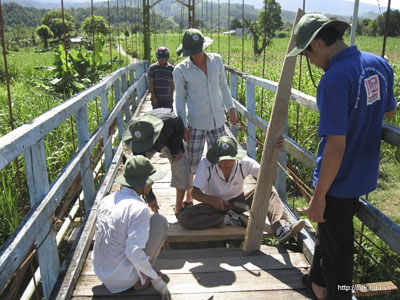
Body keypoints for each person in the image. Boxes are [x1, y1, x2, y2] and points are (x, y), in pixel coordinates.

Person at [287, 13, 397, 300]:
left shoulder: (334, 79)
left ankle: (335, 293)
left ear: (319, 43)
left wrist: (319, 194)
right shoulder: (380, 65)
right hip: (363, 174)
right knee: (331, 236)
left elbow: (335, 146)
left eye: (307, 53)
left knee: (340, 256)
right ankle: (318, 285)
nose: (309, 60)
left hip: (336, 180)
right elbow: (388, 112)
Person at [177, 136, 305, 244]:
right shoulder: (206, 164)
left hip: (239, 203)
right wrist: (213, 200)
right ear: (216, 158)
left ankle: (280, 227)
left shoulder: (244, 163)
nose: (226, 162)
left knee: (269, 190)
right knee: (184, 218)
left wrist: (275, 155)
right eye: (222, 160)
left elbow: (269, 176)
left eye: (230, 159)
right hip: (213, 206)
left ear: (236, 156)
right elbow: (195, 192)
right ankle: (227, 220)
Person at [92, 156, 171, 299]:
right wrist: (156, 279)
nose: (152, 183)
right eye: (150, 180)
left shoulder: (106, 200)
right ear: (141, 183)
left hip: (101, 272)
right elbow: (133, 251)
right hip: (123, 279)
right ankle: (140, 278)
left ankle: (137, 273)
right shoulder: (139, 208)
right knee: (160, 222)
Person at [173, 28, 238, 185]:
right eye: (193, 51)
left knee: (220, 159)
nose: (197, 54)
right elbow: (180, 98)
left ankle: (215, 190)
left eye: (199, 49)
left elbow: (223, 86)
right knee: (192, 163)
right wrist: (183, 125)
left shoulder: (216, 60)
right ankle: (189, 196)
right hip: (196, 123)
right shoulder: (181, 70)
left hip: (218, 121)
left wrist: (231, 108)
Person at [123, 108, 192, 214]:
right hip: (150, 141)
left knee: (181, 167)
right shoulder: (137, 142)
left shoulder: (170, 122)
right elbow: (141, 173)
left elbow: (179, 128)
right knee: (134, 171)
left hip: (169, 139)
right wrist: (150, 196)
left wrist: (177, 150)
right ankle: (131, 205)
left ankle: (179, 207)